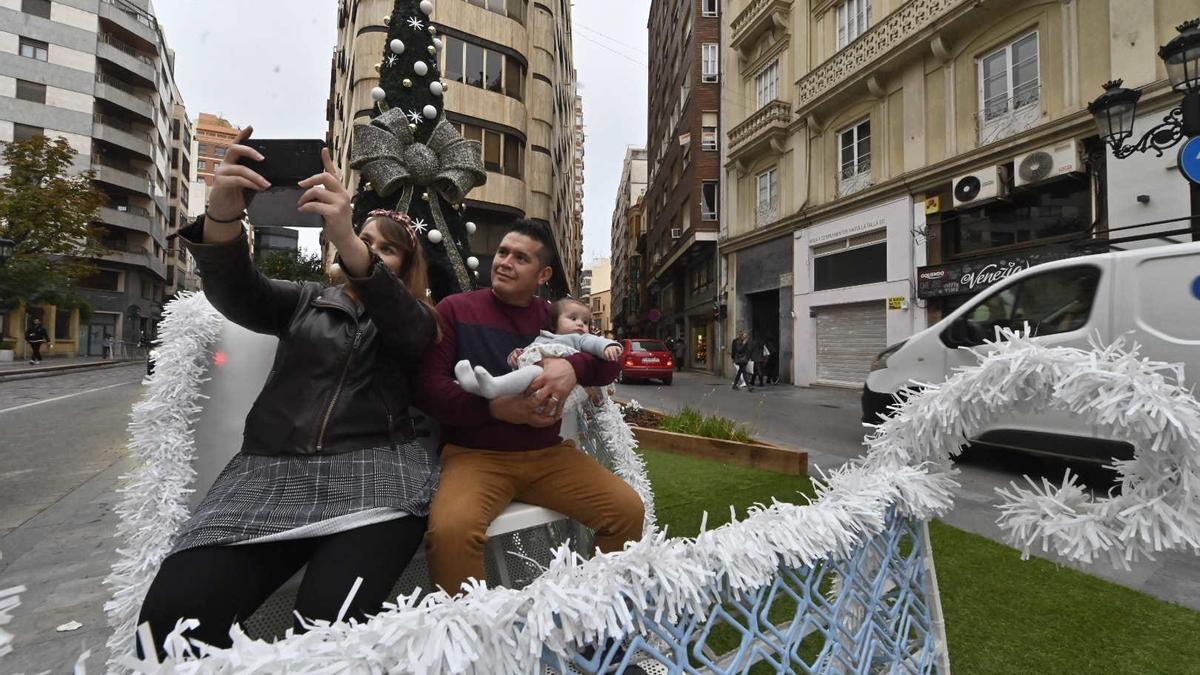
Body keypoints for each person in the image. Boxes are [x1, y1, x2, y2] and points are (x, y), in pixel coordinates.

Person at [136, 128, 439, 658]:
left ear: (407, 269)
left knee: (325, 633)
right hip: (266, 476)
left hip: (377, 481)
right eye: (365, 241)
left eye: (387, 250)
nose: (371, 252)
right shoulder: (303, 301)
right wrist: (224, 218)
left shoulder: (416, 317)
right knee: (167, 626)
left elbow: (411, 332)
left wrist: (351, 241)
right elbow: (237, 291)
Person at [418, 219, 645, 598]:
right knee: (451, 534)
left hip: (548, 457)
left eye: (520, 257)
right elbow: (430, 390)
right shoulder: (456, 309)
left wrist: (571, 368)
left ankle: (593, 618)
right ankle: (473, 643)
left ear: (543, 274)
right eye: (503, 252)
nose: (505, 261)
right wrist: (494, 410)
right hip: (475, 457)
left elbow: (608, 362)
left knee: (626, 511)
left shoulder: (552, 318)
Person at [455, 297, 622, 398]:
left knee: (533, 372)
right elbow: (528, 352)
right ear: (554, 322)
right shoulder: (542, 337)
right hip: (528, 388)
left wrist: (608, 346)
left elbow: (594, 342)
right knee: (519, 376)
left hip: (549, 381)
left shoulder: (578, 339)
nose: (580, 323)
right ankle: (474, 387)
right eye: (573, 318)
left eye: (585, 322)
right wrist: (515, 356)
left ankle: (494, 387)